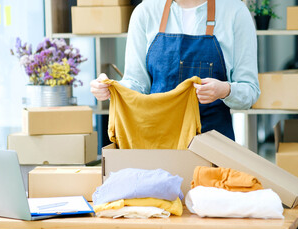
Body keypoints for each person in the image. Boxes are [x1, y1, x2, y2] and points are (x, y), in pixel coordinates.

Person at [90, 0, 260, 141]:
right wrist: (111, 88)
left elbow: (250, 90)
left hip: (213, 142)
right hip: (157, 140)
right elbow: (136, 83)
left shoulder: (236, 13)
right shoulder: (145, 12)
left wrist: (225, 90)